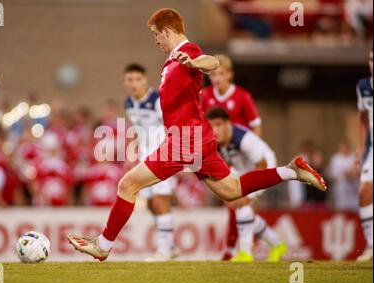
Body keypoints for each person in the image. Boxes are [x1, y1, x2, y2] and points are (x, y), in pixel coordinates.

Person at [67, 8, 327, 262]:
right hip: (195, 137)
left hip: (185, 138)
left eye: (156, 35)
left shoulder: (187, 52)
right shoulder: (171, 61)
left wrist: (195, 62)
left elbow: (211, 61)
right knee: (231, 190)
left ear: (167, 30)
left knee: (127, 184)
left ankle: (103, 246)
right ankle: (293, 171)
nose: (156, 40)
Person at [207, 107, 287, 262]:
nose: (214, 130)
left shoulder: (243, 139)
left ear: (228, 124)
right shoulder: (215, 142)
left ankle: (246, 253)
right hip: (242, 169)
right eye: (211, 126)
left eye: (218, 125)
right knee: (238, 208)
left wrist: (251, 195)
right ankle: (277, 244)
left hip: (265, 166)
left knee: (243, 205)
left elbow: (262, 163)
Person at [123, 63, 178, 261]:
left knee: (159, 200)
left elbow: (172, 125)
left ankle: (164, 250)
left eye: (137, 79)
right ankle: (170, 246)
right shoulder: (129, 103)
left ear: (145, 80)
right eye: (130, 79)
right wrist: (132, 155)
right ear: (125, 82)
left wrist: (173, 154)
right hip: (144, 157)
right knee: (149, 205)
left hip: (163, 155)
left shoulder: (157, 99)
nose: (134, 83)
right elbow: (136, 131)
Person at [201, 54, 262, 137]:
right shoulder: (204, 94)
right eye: (213, 74)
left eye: (221, 74)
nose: (217, 78)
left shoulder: (243, 96)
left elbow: (256, 125)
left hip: (238, 143)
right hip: (215, 142)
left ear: (229, 74)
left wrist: (254, 146)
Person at [354, 48, 373, 261]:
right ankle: (371, 245)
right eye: (370, 59)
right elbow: (362, 117)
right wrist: (361, 147)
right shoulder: (363, 86)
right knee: (364, 193)